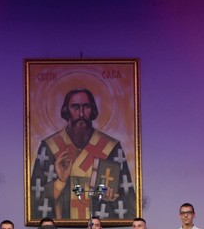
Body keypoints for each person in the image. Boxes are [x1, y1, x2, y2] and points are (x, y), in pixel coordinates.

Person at [29, 88, 135, 221]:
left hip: (98, 223)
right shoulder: (50, 147)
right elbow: (35, 199)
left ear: (92, 110)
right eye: (75, 107)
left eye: (86, 106)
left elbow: (128, 200)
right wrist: (60, 182)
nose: (81, 113)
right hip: (63, 224)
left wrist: (112, 197)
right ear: (66, 111)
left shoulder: (111, 148)